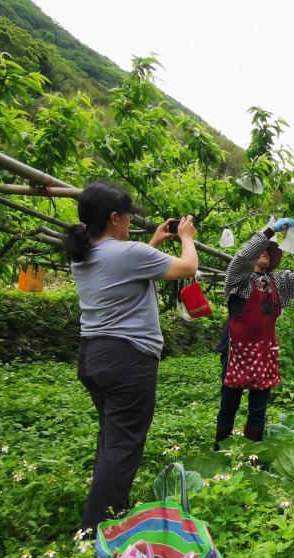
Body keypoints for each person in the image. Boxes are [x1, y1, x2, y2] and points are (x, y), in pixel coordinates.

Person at [64, 183, 199, 532]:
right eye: (125, 216)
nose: (128, 223)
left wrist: (153, 242)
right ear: (113, 217)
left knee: (113, 438)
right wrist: (186, 236)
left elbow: (128, 268)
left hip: (94, 354)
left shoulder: (85, 255)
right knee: (123, 445)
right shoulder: (126, 254)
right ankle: (97, 530)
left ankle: (111, 511)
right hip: (127, 359)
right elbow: (187, 267)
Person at [214, 218, 294, 448]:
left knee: (258, 407)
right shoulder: (239, 280)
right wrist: (269, 231)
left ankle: (252, 451)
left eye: (269, 253)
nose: (265, 254)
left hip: (264, 351)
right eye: (262, 250)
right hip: (236, 349)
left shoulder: (278, 282)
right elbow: (240, 260)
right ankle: (220, 450)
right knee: (229, 404)